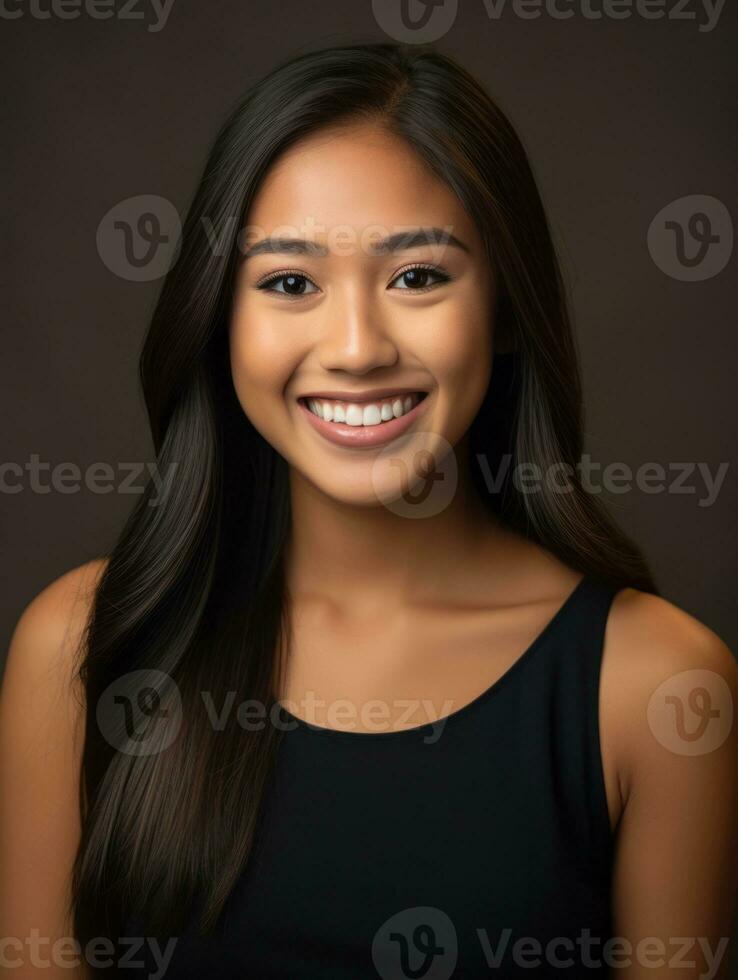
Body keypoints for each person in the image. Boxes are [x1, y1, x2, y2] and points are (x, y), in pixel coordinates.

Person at [2, 42, 737, 979]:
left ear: (508, 307)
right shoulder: (83, 645)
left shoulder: (657, 688)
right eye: (289, 283)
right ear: (219, 318)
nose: (355, 348)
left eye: (418, 277)